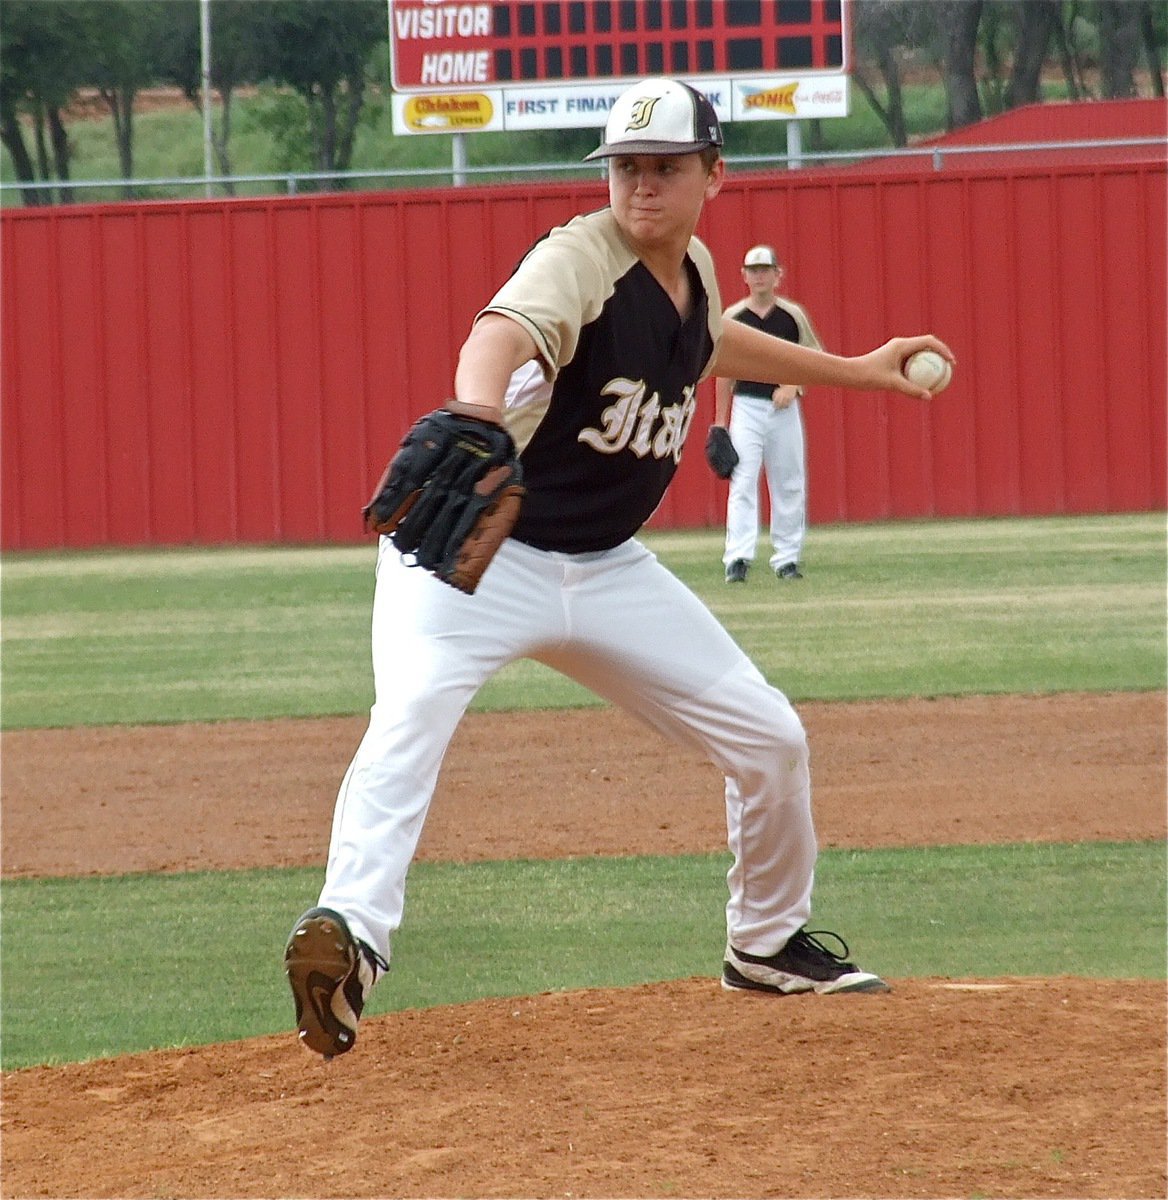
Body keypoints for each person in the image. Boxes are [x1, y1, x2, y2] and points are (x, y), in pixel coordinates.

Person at [284, 77, 954, 1059]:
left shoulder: (695, 270)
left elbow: (707, 342)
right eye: (625, 168)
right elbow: (500, 336)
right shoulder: (577, 257)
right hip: (480, 559)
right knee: (412, 716)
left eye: (662, 167)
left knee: (769, 738)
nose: (639, 185)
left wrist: (856, 370)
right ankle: (349, 939)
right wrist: (476, 411)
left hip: (604, 569)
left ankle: (765, 941)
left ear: (712, 175)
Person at [713, 245, 821, 584]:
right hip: (746, 405)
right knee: (742, 480)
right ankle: (738, 558)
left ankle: (787, 559)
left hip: (784, 410)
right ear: (743, 276)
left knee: (789, 481)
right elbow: (722, 370)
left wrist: (793, 385)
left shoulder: (792, 315)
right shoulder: (732, 317)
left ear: (778, 274)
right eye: (753, 270)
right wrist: (719, 422)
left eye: (765, 269)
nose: (759, 275)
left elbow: (813, 358)